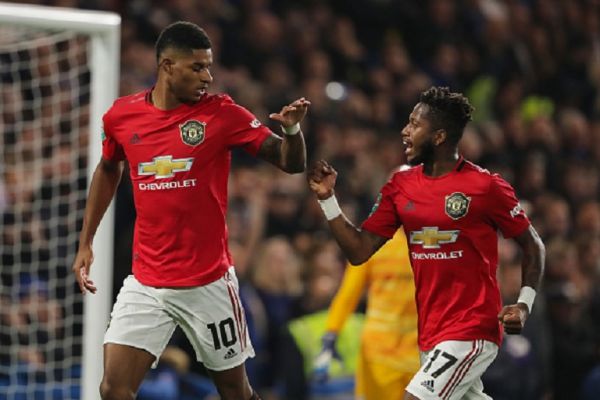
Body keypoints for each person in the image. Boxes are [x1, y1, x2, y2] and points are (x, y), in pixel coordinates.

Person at [71, 21, 309, 400]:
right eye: (197, 67)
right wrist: (86, 242)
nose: (208, 76)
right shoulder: (121, 117)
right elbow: (108, 168)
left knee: (235, 392)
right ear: (167, 66)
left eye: (209, 66)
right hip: (147, 282)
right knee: (113, 389)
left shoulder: (222, 115)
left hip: (208, 284)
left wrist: (294, 133)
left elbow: (289, 162)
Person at [307, 86, 545, 400]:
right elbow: (359, 251)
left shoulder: (485, 187)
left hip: (471, 328)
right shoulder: (400, 187)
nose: (405, 131)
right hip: (430, 333)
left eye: (415, 125)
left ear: (439, 137)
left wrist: (524, 304)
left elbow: (533, 246)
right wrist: (328, 201)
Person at [313, 227, 420, 399]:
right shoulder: (436, 242)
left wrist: (331, 335)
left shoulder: (369, 242)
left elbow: (348, 294)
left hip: (399, 355)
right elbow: (348, 294)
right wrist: (331, 334)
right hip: (390, 356)